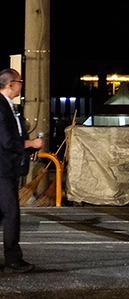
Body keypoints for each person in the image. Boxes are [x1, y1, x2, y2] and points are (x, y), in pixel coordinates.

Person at [0, 68, 44, 274]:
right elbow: (7, 140)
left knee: (4, 212)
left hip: (7, 168)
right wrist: (31, 143)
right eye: (19, 81)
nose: (21, 84)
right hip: (3, 169)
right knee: (11, 213)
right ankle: (13, 258)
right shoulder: (1, 108)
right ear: (10, 85)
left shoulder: (9, 107)